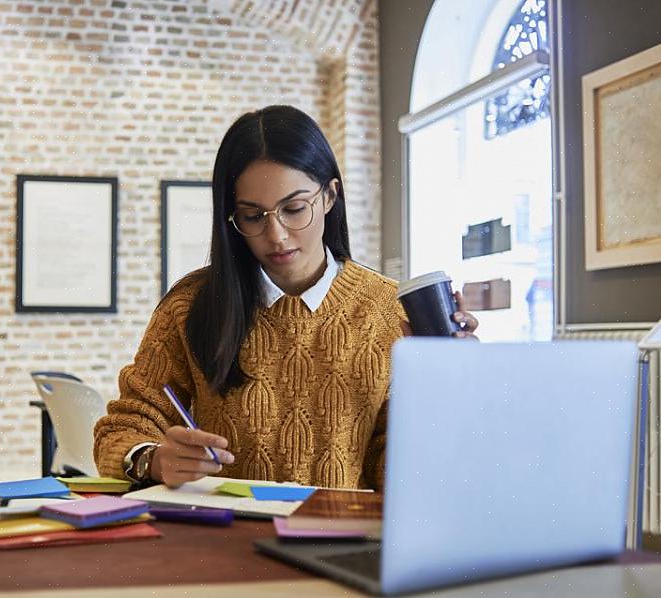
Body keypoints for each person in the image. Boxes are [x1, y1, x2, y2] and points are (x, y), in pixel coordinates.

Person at [94, 105, 478, 490]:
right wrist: (153, 459)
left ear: (330, 196)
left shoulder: (387, 310)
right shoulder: (191, 305)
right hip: (221, 541)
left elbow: (404, 478)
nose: (276, 235)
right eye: (253, 216)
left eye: (294, 209)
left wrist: (446, 387)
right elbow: (122, 427)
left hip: (339, 541)